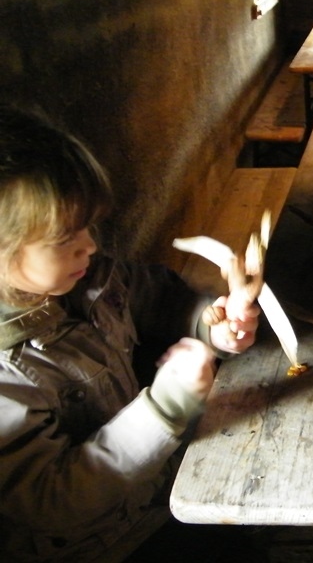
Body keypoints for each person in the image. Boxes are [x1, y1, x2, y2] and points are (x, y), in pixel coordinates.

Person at [0, 105, 260, 562]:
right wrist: (166, 407)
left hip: (158, 490)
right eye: (64, 238)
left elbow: (162, 302)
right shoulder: (7, 375)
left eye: (86, 226)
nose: (90, 245)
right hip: (104, 544)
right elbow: (50, 499)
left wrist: (215, 326)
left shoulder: (90, 276)